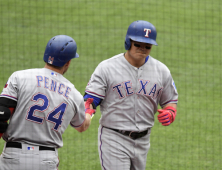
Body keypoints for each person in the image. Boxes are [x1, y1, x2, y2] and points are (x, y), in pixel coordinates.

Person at [84, 20, 178, 170]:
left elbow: (170, 101)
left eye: (147, 46)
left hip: (143, 140)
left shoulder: (161, 71)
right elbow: (90, 99)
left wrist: (171, 112)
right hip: (113, 138)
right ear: (128, 42)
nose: (142, 49)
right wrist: (88, 111)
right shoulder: (107, 67)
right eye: (138, 44)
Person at [0, 35, 95, 170]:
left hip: (12, 157)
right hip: (45, 160)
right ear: (68, 62)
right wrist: (88, 111)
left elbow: (2, 114)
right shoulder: (74, 94)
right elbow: (82, 126)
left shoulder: (19, 77)